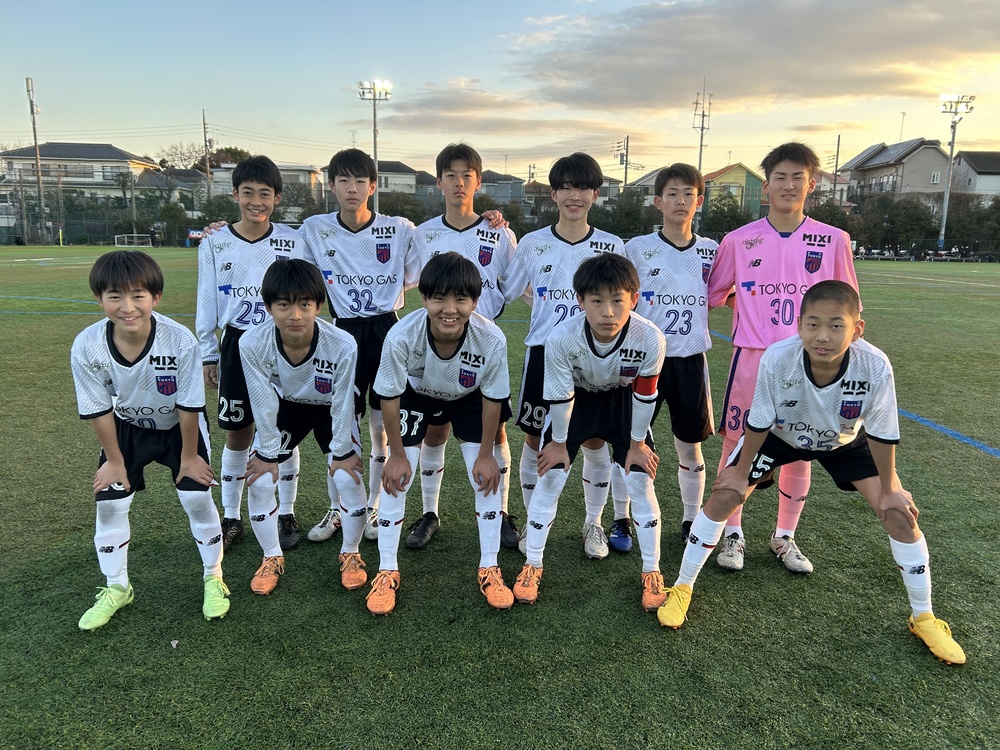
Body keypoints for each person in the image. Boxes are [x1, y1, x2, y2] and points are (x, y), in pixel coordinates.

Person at [658, 281, 966, 665]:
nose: (823, 336)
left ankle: (924, 617)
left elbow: (883, 432)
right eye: (814, 324)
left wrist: (890, 488)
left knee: (898, 514)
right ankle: (682, 587)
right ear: (799, 325)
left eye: (836, 326)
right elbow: (759, 419)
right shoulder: (778, 357)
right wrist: (740, 473)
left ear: (857, 329)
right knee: (726, 496)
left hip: (843, 440)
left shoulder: (874, 365)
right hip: (779, 435)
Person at [706, 142, 860, 573]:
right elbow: (714, 293)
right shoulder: (739, 240)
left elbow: (849, 304)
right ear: (766, 186)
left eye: (797, 177)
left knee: (800, 446)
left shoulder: (833, 240)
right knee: (738, 443)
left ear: (811, 185)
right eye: (780, 177)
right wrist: (747, 304)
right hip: (753, 359)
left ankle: (785, 535)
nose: (788, 185)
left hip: (809, 362)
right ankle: (732, 534)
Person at [71, 250, 231, 629]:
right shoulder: (87, 344)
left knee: (196, 496)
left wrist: (189, 457)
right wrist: (114, 461)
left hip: (179, 427)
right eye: (115, 296)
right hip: (126, 428)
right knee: (110, 504)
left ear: (155, 298)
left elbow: (189, 405)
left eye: (138, 296)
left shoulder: (180, 340)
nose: (127, 307)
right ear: (99, 298)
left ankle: (214, 577)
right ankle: (117, 587)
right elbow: (98, 409)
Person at [512, 253, 667, 610]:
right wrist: (559, 444)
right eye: (597, 301)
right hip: (576, 401)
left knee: (640, 480)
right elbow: (559, 394)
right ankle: (532, 564)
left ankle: (652, 571)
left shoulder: (650, 337)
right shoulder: (561, 337)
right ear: (580, 301)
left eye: (617, 300)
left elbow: (645, 394)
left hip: (623, 401)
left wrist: (637, 444)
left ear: (634, 298)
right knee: (551, 475)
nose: (608, 312)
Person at [367, 252, 515, 615]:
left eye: (461, 299)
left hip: (469, 397)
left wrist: (485, 454)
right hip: (417, 394)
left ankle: (490, 566)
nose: (449, 309)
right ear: (423, 299)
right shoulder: (401, 336)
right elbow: (389, 396)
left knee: (484, 476)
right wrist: (396, 454)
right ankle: (387, 570)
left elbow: (493, 399)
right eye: (439, 298)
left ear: (475, 302)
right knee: (397, 477)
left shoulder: (491, 339)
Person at [507, 152, 625, 560]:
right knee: (535, 440)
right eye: (566, 188)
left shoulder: (612, 246)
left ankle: (593, 523)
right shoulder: (532, 243)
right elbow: (508, 290)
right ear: (554, 194)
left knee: (594, 440)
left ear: (596, 194)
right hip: (543, 354)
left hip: (596, 356)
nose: (575, 196)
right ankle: (533, 520)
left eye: (583, 188)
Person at [408, 143, 521, 551]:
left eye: (467, 175)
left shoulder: (499, 232)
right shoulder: (422, 234)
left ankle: (501, 512)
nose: (459, 182)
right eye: (451, 175)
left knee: (496, 432)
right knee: (434, 431)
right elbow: (405, 278)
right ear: (439, 182)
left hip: (481, 350)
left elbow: (512, 285)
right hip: (434, 349)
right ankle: (430, 512)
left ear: (478, 181)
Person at [196, 155, 307, 553]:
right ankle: (231, 516)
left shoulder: (294, 240)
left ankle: (286, 512)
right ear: (234, 194)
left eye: (264, 194)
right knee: (238, 432)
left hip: (284, 343)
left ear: (277, 198)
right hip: (236, 344)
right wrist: (208, 353)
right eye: (248, 193)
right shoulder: (215, 241)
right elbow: (206, 300)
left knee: (283, 430)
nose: (256, 202)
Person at [238, 260, 370, 595]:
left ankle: (351, 553)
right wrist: (267, 454)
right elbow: (261, 400)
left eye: (304, 304)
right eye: (284, 305)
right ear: (268, 306)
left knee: (347, 477)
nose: (295, 315)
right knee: (259, 480)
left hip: (331, 408)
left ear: (318, 305)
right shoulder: (252, 342)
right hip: (287, 407)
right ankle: (271, 556)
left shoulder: (342, 343)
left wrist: (342, 452)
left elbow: (343, 400)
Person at [614, 163, 719, 551]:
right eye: (672, 193)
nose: (681, 201)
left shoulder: (712, 251)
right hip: (643, 360)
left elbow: (728, 292)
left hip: (690, 360)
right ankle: (621, 518)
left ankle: (692, 518)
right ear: (658, 202)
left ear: (699, 201)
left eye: (688, 194)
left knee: (690, 446)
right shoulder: (637, 248)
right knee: (628, 441)